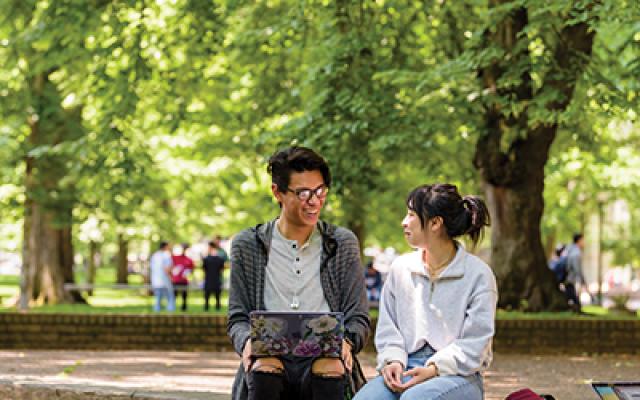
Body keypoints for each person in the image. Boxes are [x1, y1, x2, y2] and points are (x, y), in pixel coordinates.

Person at [227, 146, 370, 400]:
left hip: (325, 359)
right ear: (277, 192)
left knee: (329, 367)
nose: (314, 201)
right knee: (265, 367)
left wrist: (346, 342)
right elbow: (237, 318)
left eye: (320, 191)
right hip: (269, 359)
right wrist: (247, 342)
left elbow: (358, 318)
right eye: (303, 193)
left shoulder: (341, 243)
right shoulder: (248, 244)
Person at [354, 183, 497, 400]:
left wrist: (434, 369)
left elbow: (476, 343)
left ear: (435, 223)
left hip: (459, 374)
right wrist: (392, 360)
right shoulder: (400, 269)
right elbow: (388, 328)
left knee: (416, 398)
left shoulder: (478, 275)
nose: (404, 222)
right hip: (405, 365)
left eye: (411, 214)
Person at [150, 241, 175, 312]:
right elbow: (167, 268)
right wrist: (171, 277)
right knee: (170, 297)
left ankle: (157, 310)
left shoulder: (155, 255)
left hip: (156, 280)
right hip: (165, 280)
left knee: (158, 297)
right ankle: (170, 311)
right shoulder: (166, 255)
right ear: (165, 246)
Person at [565, 233, 586, 313]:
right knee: (572, 297)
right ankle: (577, 310)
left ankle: (575, 309)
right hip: (571, 279)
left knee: (571, 296)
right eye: (583, 240)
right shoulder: (576, 253)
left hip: (569, 279)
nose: (584, 243)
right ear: (579, 241)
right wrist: (582, 280)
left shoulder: (569, 250)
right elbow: (577, 269)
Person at [203, 240, 226, 311]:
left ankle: (206, 307)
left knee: (207, 295)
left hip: (209, 278)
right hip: (217, 278)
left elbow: (204, 269)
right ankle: (218, 307)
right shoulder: (220, 259)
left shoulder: (206, 259)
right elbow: (222, 269)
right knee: (217, 295)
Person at [171, 243, 195, 311]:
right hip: (176, 280)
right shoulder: (175, 257)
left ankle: (184, 307)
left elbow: (191, 269)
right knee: (174, 294)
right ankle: (172, 307)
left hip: (184, 280)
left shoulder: (189, 259)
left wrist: (188, 272)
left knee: (184, 295)